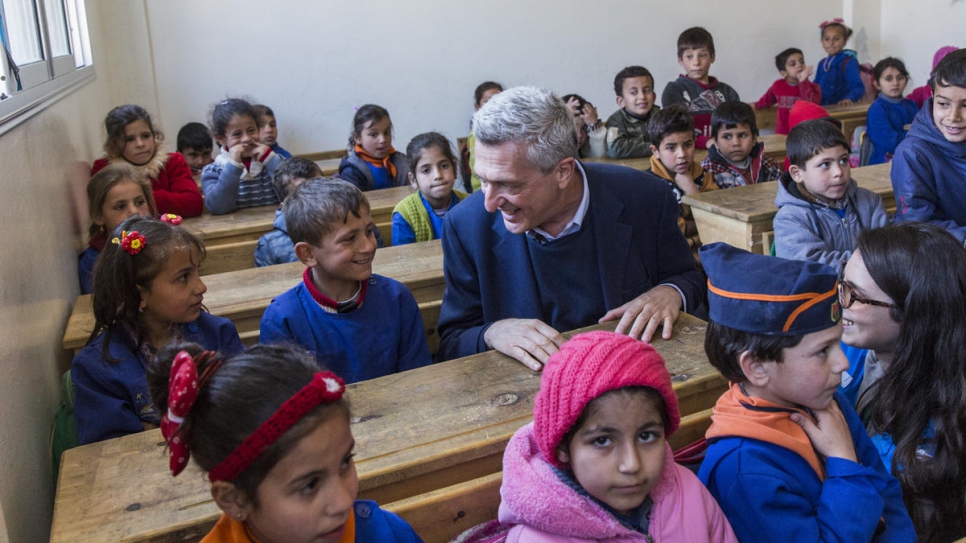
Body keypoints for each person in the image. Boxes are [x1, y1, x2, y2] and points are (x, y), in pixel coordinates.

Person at [437, 87, 704, 368]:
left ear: (563, 171)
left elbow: (688, 276)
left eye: (509, 184)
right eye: (484, 180)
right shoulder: (466, 225)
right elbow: (453, 340)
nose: (489, 203)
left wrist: (670, 292)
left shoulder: (645, 196)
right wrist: (491, 332)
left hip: (631, 375)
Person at [697, 242, 915, 543]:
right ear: (757, 367)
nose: (842, 362)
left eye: (838, 343)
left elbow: (889, 500)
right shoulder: (744, 469)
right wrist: (844, 462)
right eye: (822, 351)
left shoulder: (827, 403)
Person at [147, 343, 423, 543]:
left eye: (345, 462)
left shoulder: (386, 534)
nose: (342, 502)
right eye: (309, 485)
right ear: (235, 499)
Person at [496, 331, 738, 542]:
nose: (632, 465)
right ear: (562, 446)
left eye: (646, 436)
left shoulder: (688, 492)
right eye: (602, 440)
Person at [838, 223, 966, 542]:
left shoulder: (945, 418)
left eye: (856, 296)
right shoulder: (849, 351)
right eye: (842, 286)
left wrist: (839, 454)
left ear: (912, 311)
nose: (842, 303)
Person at [71, 216, 243, 445]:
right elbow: (117, 453)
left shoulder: (219, 333)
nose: (201, 287)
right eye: (183, 277)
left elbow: (247, 407)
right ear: (139, 293)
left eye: (196, 272)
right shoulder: (96, 369)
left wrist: (161, 428)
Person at [260, 179, 431, 383]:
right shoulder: (283, 319)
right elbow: (287, 404)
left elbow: (418, 381)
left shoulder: (397, 298)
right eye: (349, 238)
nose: (368, 246)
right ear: (308, 254)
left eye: (369, 231)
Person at [774, 119, 887, 265]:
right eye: (825, 164)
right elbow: (811, 267)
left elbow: (887, 251)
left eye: (843, 161)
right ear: (797, 174)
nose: (838, 172)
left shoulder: (870, 201)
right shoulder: (790, 218)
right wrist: (870, 263)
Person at [891, 49, 966, 243]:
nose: (953, 116)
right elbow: (918, 224)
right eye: (943, 104)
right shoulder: (913, 153)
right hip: (941, 256)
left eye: (965, 105)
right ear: (932, 96)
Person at [92, 104, 203, 218]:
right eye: (130, 139)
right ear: (114, 144)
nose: (140, 144)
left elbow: (193, 204)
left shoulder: (172, 161)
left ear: (154, 135)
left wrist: (145, 197)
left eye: (146, 136)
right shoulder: (105, 169)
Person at [642, 104, 718, 262]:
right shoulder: (648, 184)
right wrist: (698, 223)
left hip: (706, 252)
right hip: (670, 258)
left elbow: (717, 219)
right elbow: (666, 231)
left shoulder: (703, 176)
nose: (682, 154)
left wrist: (692, 192)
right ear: (655, 151)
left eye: (688, 145)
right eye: (671, 148)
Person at [79, 164, 156, 294]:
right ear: (98, 217)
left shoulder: (163, 242)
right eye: (120, 207)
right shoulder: (93, 263)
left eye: (139, 202)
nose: (134, 211)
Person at [661, 27, 740, 149]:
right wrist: (704, 141)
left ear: (712, 57)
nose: (696, 62)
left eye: (702, 55)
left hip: (724, 153)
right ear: (680, 60)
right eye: (689, 56)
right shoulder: (674, 90)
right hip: (685, 156)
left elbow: (737, 126)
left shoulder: (727, 92)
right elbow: (674, 128)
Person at [202, 98, 281, 214]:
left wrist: (272, 161)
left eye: (251, 130)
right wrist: (233, 166)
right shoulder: (213, 170)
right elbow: (218, 207)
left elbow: (295, 195)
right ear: (221, 139)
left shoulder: (272, 160)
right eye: (237, 134)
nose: (247, 139)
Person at [391, 132, 466, 245]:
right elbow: (404, 260)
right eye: (426, 170)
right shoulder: (404, 215)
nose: (438, 175)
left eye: (444, 166)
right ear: (413, 180)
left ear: (454, 169)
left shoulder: (469, 205)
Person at [254, 157, 323, 267]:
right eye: (305, 195)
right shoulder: (270, 244)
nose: (319, 199)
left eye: (321, 188)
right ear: (284, 205)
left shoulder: (343, 226)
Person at [701, 101, 782, 189]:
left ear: (754, 139)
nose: (736, 143)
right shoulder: (708, 170)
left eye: (742, 135)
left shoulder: (769, 165)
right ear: (716, 142)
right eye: (727, 137)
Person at [337, 104, 408, 191]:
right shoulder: (351, 171)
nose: (383, 140)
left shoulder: (402, 162)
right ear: (357, 138)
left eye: (386, 133)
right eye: (373, 134)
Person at [755, 47, 822, 135]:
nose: (799, 65)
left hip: (805, 135)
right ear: (784, 73)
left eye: (802, 62)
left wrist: (803, 82)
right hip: (782, 134)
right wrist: (753, 105)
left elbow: (810, 105)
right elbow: (766, 100)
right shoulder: (778, 85)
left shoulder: (813, 88)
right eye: (793, 64)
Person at [866, 57, 918, 165]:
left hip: (911, 158)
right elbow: (889, 143)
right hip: (883, 163)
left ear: (906, 80)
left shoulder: (912, 106)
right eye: (888, 79)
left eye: (900, 78)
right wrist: (913, 135)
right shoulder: (877, 110)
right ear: (877, 84)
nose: (895, 83)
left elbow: (925, 133)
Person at [605, 65, 660, 158]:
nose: (642, 96)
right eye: (634, 93)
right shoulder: (615, 121)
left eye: (646, 90)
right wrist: (657, 147)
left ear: (654, 97)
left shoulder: (661, 116)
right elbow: (615, 148)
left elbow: (674, 140)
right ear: (621, 101)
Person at [814, 19, 866, 106]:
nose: (831, 43)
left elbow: (858, 87)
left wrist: (849, 98)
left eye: (836, 39)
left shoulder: (849, 62)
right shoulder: (822, 63)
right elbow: (815, 88)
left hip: (840, 110)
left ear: (845, 41)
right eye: (827, 39)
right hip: (823, 109)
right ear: (822, 41)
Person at [464, 81, 504, 192]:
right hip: (481, 188)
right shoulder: (475, 133)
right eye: (488, 101)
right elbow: (479, 169)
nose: (494, 105)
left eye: (499, 100)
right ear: (477, 107)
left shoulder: (509, 129)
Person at [561, 93, 606, 158]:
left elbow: (600, 159)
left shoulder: (587, 143)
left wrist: (594, 128)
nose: (579, 135)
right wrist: (559, 117)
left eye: (584, 128)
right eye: (573, 127)